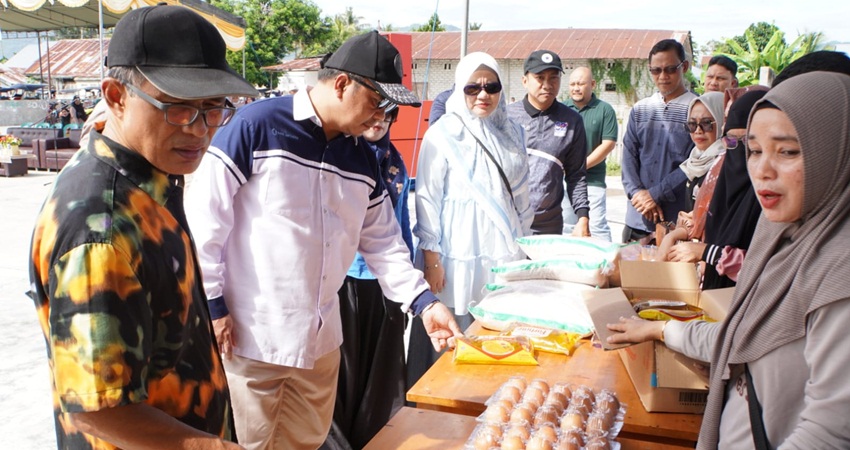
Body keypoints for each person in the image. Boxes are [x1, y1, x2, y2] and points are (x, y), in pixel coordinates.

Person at [184, 31, 463, 450]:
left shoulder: (362, 160)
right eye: (377, 102)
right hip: (253, 336)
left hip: (321, 344)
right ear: (341, 84)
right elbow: (205, 218)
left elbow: (385, 246)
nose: (381, 116)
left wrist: (424, 303)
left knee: (308, 442)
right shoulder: (257, 126)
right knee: (249, 444)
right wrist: (212, 303)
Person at [28, 5, 258, 449]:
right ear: (115, 96)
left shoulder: (147, 177)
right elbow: (101, 410)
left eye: (213, 109)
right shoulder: (102, 230)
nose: (200, 131)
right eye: (178, 109)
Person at [609, 72, 850, 449]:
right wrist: (660, 330)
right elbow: (738, 337)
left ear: (836, 151)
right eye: (753, 150)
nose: (762, 170)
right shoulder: (784, 237)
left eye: (787, 151)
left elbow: (830, 433)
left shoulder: (839, 270)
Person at [410, 52, 532, 385]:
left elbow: (522, 199)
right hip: (457, 252)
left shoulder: (513, 134)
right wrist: (431, 260)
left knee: (495, 332)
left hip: (502, 251)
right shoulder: (443, 134)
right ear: (458, 90)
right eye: (472, 88)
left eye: (491, 86)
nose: (482, 95)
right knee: (454, 329)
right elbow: (427, 198)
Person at [323, 106, 411, 450]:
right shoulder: (342, 158)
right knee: (339, 373)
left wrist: (408, 283)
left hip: (383, 282)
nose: (379, 120)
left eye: (388, 114)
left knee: (381, 374)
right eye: (372, 112)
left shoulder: (394, 160)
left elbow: (398, 226)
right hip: (341, 279)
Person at [621, 39, 697, 243]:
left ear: (685, 67)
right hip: (637, 218)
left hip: (676, 223)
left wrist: (655, 195)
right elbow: (628, 156)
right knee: (628, 274)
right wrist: (638, 195)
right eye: (656, 70)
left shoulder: (697, 110)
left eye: (670, 69)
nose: (663, 76)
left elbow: (696, 162)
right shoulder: (640, 109)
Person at [507, 50, 589, 236]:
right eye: (539, 77)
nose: (547, 85)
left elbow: (576, 175)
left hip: (548, 227)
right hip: (508, 222)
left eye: (554, 78)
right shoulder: (507, 117)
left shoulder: (572, 121)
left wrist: (583, 217)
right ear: (525, 81)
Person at [564, 66, 619, 240]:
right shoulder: (561, 109)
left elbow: (608, 144)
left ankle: (607, 266)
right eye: (572, 84)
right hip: (564, 182)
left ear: (593, 84)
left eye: (580, 83)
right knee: (567, 228)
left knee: (596, 228)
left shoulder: (604, 110)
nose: (576, 88)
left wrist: (579, 167)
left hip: (592, 181)